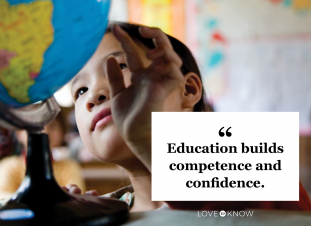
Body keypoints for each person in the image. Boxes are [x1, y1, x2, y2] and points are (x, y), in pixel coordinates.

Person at [67, 22, 311, 212]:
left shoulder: (256, 165)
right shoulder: (101, 214)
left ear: (189, 90)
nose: (94, 94)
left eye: (120, 67)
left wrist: (148, 140)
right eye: (80, 90)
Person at [0, 113, 86, 201]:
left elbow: (76, 197)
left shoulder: (69, 167)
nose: (45, 131)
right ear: (19, 133)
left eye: (52, 126)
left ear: (62, 132)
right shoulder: (8, 166)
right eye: (35, 127)